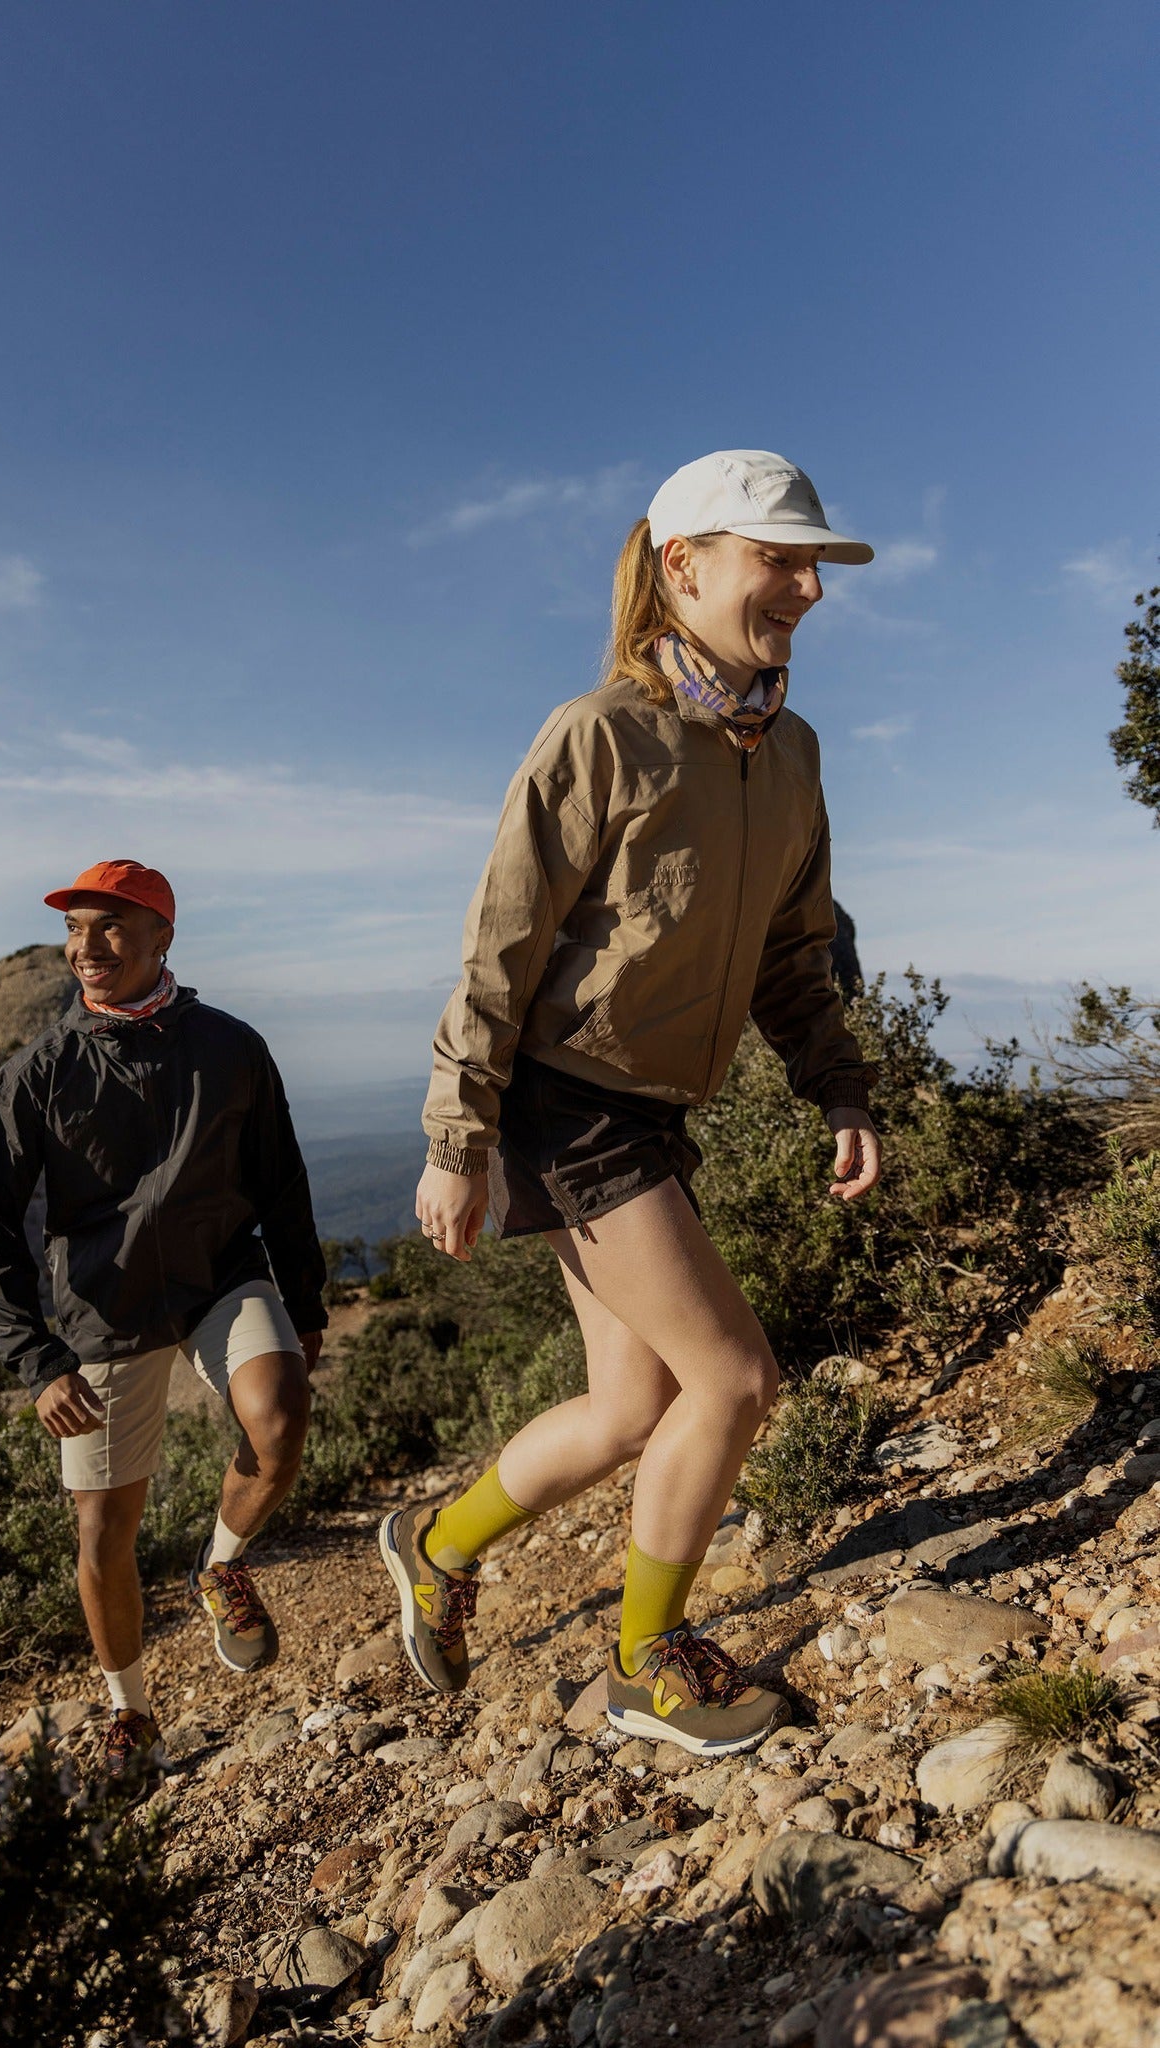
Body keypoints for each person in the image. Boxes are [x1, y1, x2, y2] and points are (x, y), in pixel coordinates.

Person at [381, 450, 882, 1758]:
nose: (804, 589)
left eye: (811, 564)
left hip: (651, 1111)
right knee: (732, 1378)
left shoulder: (792, 757)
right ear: (684, 566)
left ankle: (431, 1544)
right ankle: (640, 1666)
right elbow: (501, 945)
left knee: (632, 1409)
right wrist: (458, 1137)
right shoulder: (598, 732)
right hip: (567, 1102)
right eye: (780, 559)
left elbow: (792, 953)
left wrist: (837, 1089)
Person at [0, 859, 327, 1775]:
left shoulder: (231, 1046)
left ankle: (222, 1567)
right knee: (102, 1535)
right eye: (75, 932)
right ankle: (133, 1713)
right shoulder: (35, 1076)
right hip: (101, 1316)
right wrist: (36, 1361)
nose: (86, 948)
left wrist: (308, 1298)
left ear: (163, 937)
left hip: (220, 1279)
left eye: (111, 928)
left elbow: (281, 1179)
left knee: (280, 1420)